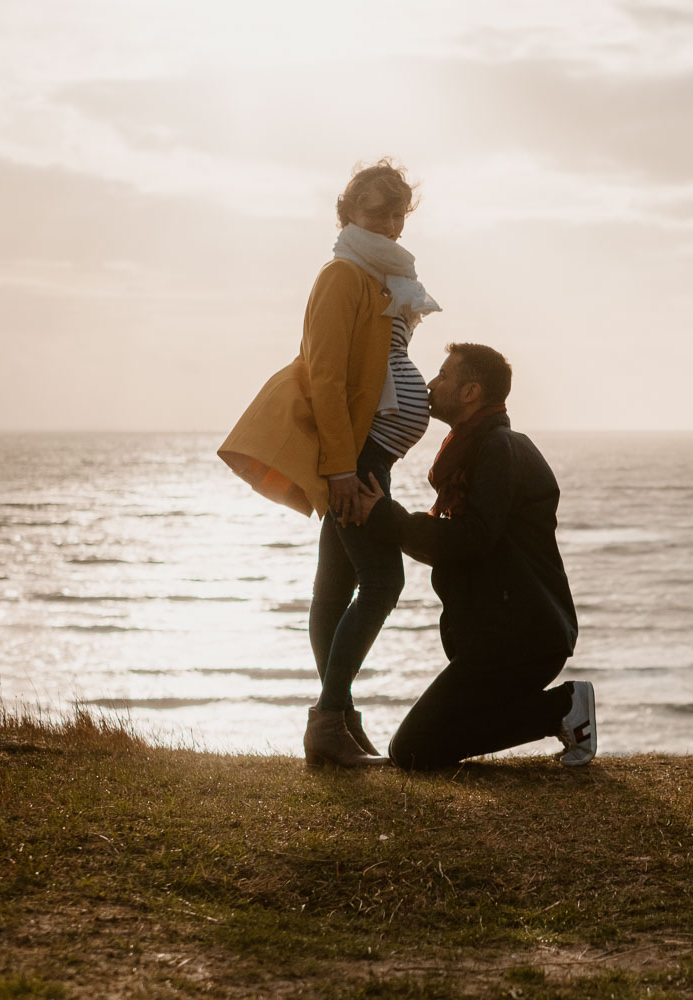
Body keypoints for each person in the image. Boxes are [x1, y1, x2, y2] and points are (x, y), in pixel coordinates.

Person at [218, 159, 440, 769]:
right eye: (377, 213)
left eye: (398, 213)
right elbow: (326, 374)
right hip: (356, 456)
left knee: (336, 585)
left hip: (372, 452)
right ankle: (329, 721)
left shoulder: (380, 279)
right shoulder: (344, 276)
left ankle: (338, 722)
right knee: (384, 582)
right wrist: (341, 467)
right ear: (348, 215)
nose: (391, 224)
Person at [354, 342, 593, 769]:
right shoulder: (475, 450)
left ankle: (564, 707)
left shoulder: (500, 449)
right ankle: (563, 710)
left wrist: (386, 517)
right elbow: (460, 543)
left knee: (412, 750)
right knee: (422, 746)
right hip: (501, 637)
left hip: (520, 638)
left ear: (471, 392)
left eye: (444, 375)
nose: (430, 384)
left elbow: (471, 538)